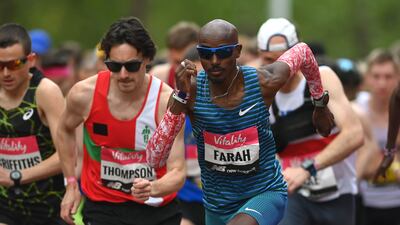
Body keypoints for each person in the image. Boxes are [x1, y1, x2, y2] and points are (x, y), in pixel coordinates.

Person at [149, 19, 335, 225]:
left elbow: (303, 51)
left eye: (223, 52)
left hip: (264, 193)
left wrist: (319, 103)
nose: (214, 61)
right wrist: (180, 95)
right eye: (206, 54)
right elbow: (155, 158)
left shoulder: (264, 81)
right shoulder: (191, 91)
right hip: (217, 205)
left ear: (237, 51)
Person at [57, 17, 185, 225]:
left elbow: (178, 171)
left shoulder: (165, 101)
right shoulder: (84, 94)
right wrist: (71, 183)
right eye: (114, 66)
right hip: (103, 206)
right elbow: (63, 130)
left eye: (132, 66)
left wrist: (154, 187)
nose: (123, 75)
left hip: (155, 208)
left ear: (148, 60)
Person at [255, 18, 363, 225]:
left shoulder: (321, 78)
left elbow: (354, 134)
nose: (277, 69)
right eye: (269, 60)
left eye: (284, 60)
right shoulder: (261, 90)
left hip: (338, 193)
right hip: (292, 193)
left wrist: (307, 168)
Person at [0, 23, 66, 224]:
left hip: (46, 207)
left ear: (31, 60)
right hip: (5, 206)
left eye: (14, 64)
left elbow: (67, 155)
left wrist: (16, 176)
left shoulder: (45, 92)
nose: (6, 73)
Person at [355, 49, 400, 225]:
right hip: (364, 203)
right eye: (376, 76)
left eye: (388, 77)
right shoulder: (356, 110)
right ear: (366, 78)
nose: (382, 83)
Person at [150, 21, 199, 87]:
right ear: (169, 55)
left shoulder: (210, 78)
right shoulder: (157, 77)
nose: (181, 68)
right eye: (177, 62)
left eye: (188, 61)